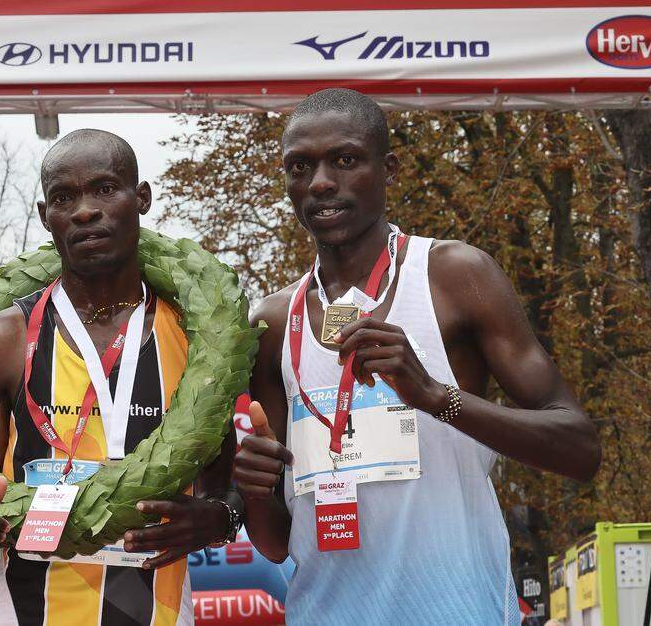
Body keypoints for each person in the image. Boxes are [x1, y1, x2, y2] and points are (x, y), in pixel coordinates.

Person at [233, 88, 600, 624]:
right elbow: (276, 545)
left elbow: (579, 449)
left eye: (345, 159)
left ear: (389, 168)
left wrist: (434, 397)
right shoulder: (271, 322)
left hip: (461, 609)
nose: (320, 182)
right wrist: (256, 489)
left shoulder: (455, 277)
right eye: (300, 167)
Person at [0, 129, 241, 625]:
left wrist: (218, 517)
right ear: (46, 217)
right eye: (64, 197)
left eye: (104, 189)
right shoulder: (1, 342)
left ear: (140, 198)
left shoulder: (194, 340)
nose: (84, 211)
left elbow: (222, 488)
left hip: (161, 612)